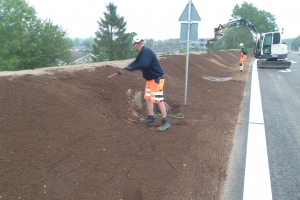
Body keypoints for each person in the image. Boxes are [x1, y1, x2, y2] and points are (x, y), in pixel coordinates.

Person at [118, 36, 170, 132]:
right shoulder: (142, 53)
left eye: (134, 45)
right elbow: (137, 62)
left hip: (156, 79)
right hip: (150, 80)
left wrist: (131, 68)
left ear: (136, 44)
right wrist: (126, 68)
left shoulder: (146, 52)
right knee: (148, 98)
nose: (134, 48)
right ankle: (151, 119)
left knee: (158, 100)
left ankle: (165, 121)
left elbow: (144, 64)